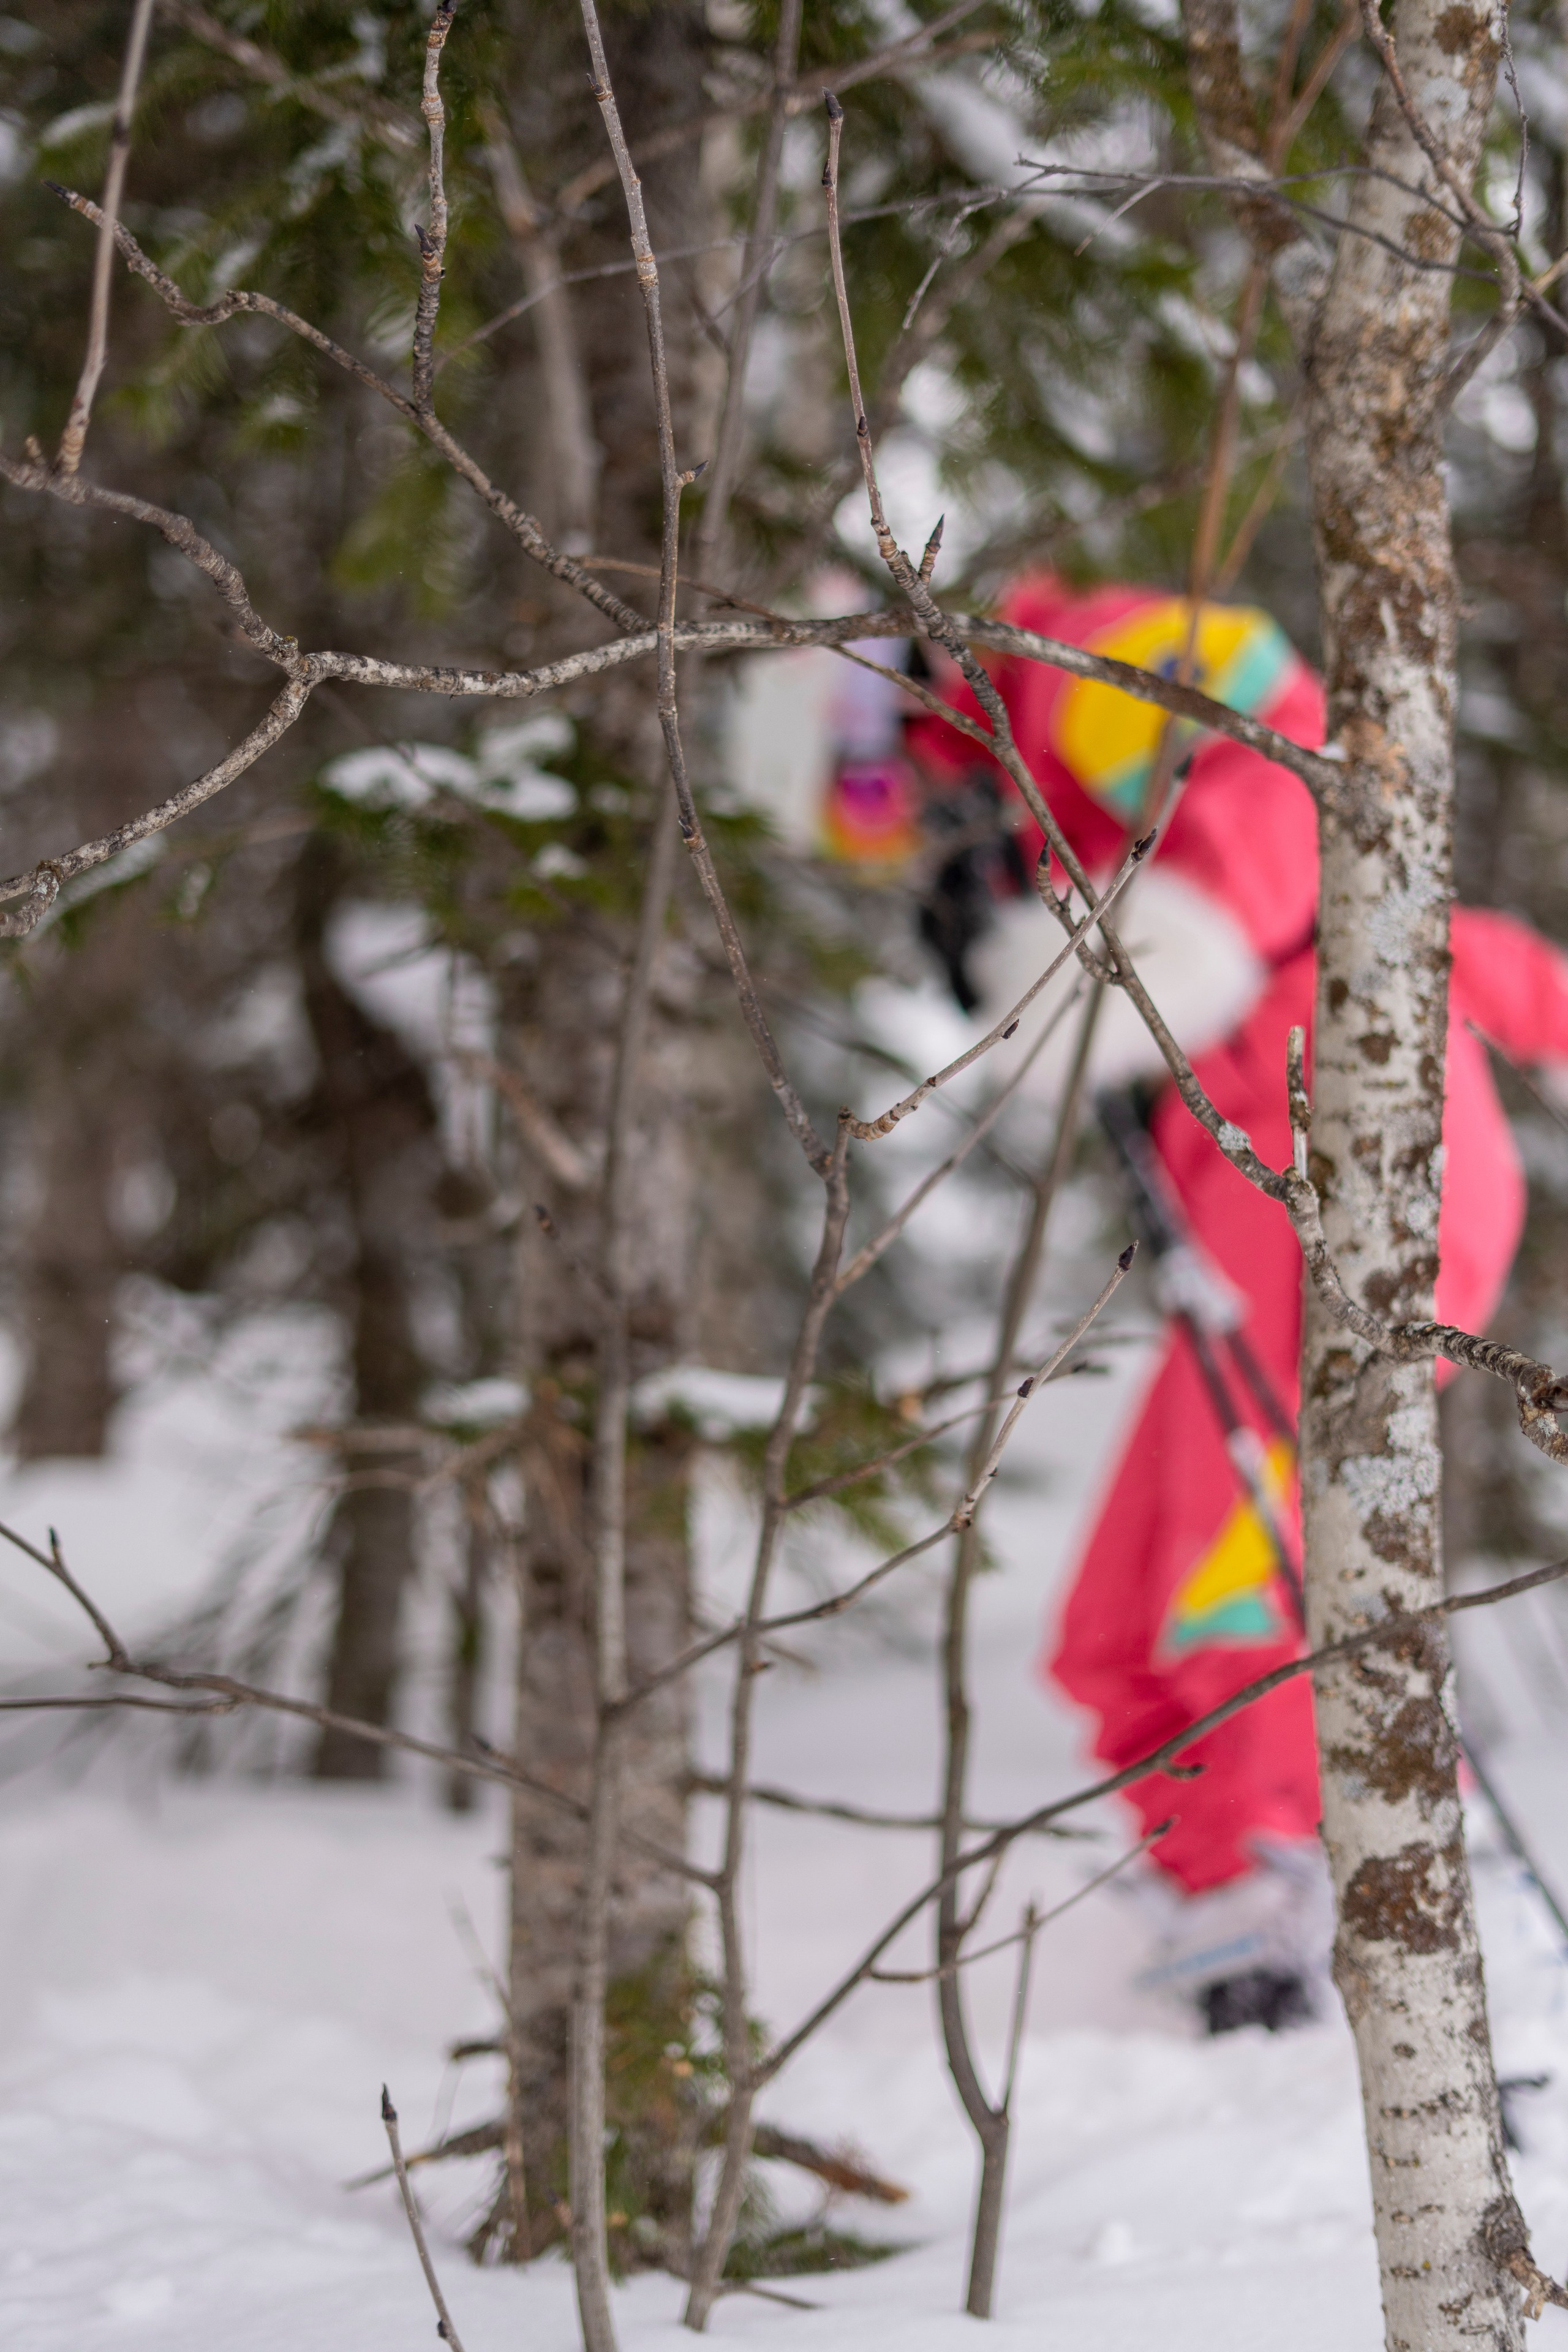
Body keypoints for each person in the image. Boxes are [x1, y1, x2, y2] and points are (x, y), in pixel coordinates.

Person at [823, 575, 1568, 2031]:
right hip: (1264, 1179)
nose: (888, 808)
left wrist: (1091, 966)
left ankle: (1304, 1864)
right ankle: (1223, 1872)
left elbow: (1278, 747)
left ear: (896, 681)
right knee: (1110, 1621)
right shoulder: (1019, 775)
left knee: (1239, 1541)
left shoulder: (1063, 663)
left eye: (869, 769)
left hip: (1346, 1164)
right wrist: (1012, 925)